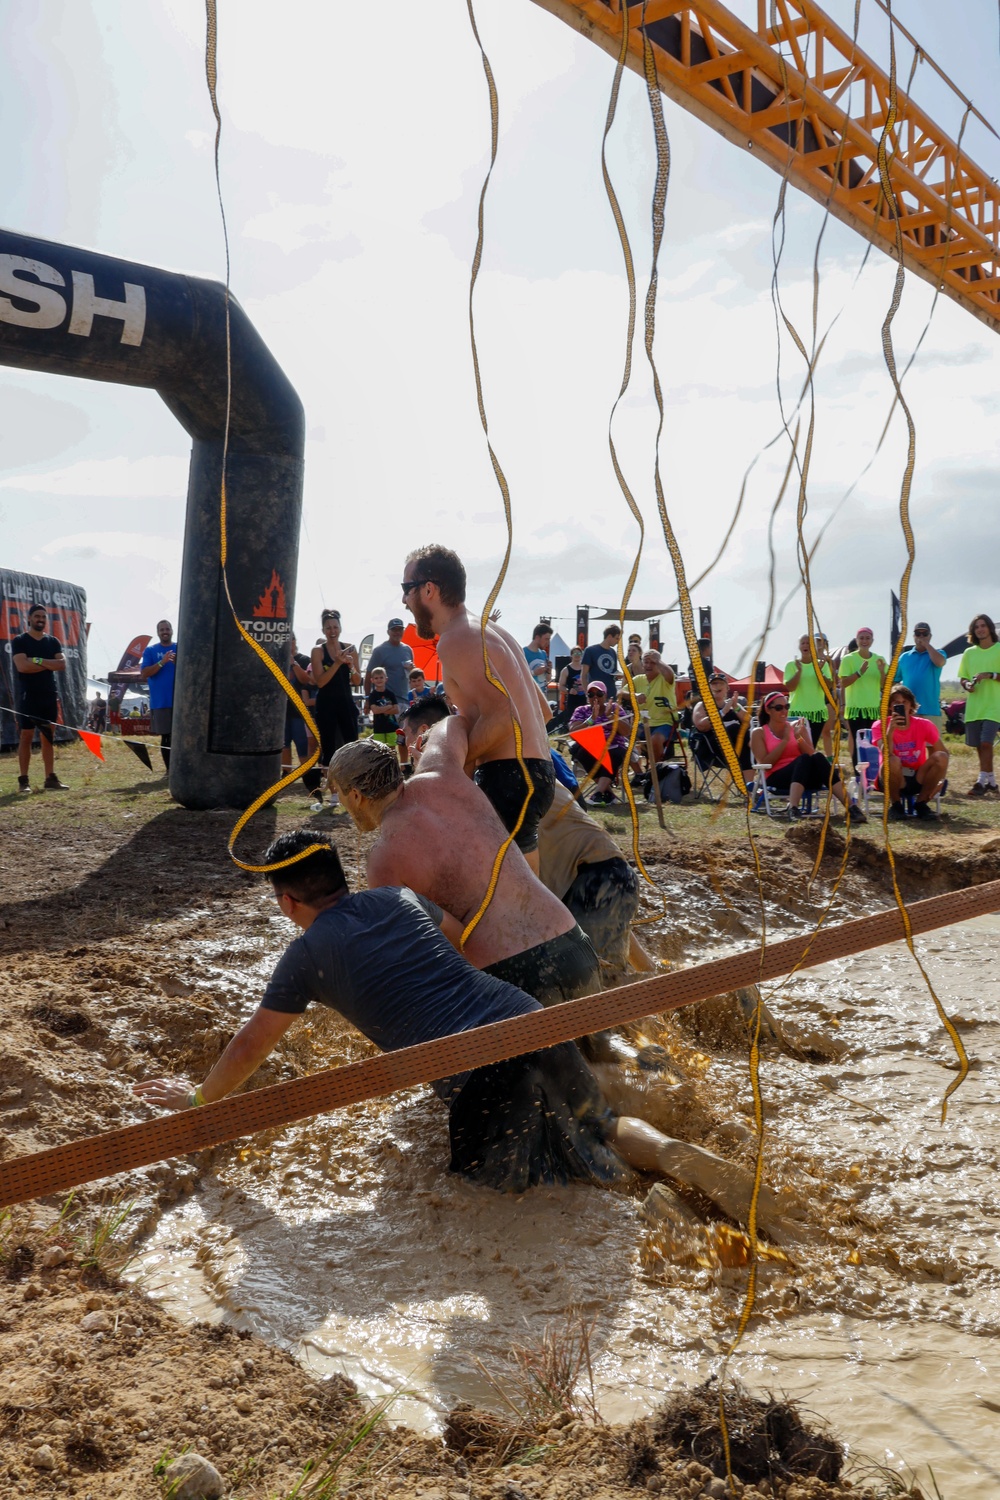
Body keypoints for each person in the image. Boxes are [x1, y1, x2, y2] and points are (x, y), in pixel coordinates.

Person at [134, 829, 799, 1233]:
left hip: (481, 1069)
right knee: (594, 1126)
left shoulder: (304, 957)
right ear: (340, 877)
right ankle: (672, 1154)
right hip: (523, 1015)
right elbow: (457, 943)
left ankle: (648, 1207)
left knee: (511, 1188)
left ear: (287, 902)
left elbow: (252, 1044)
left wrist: (198, 1104)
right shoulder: (400, 898)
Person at [329, 721, 603, 1012]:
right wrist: (427, 746)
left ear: (356, 795)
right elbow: (452, 723)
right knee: (606, 1051)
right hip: (573, 943)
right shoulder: (442, 771)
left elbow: (419, 950)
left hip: (511, 974)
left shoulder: (383, 860)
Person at [401, 545, 554, 871]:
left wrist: (446, 761)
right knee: (530, 904)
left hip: (508, 776)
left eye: (406, 589)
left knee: (502, 906)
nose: (403, 601)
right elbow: (543, 711)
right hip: (537, 774)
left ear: (429, 589)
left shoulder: (456, 638)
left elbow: (504, 716)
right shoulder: (496, 632)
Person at [537, 782, 649, 972]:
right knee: (606, 978)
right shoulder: (537, 768)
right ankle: (662, 987)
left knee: (600, 986)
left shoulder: (502, 783)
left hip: (597, 878)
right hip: (602, 878)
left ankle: (664, 991)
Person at [750, 691, 862, 821]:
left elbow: (811, 754)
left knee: (818, 757)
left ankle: (851, 808)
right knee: (803, 759)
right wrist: (785, 741)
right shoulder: (759, 733)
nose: (784, 711)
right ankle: (793, 808)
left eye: (787, 707)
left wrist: (798, 738)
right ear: (768, 710)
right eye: (779, 708)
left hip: (805, 777)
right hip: (777, 777)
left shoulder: (796, 727)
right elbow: (764, 763)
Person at [11, 604, 68, 793]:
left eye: (43, 616)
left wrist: (36, 660)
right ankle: (23, 781)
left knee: (47, 738)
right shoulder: (20, 640)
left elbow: (61, 664)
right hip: (28, 696)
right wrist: (48, 664)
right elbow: (22, 667)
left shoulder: (53, 642)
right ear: (29, 619)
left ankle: (50, 779)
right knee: (26, 736)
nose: (40, 619)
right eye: (37, 616)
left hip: (49, 695)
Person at [870, 685, 949, 821]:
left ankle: (921, 804)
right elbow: (886, 754)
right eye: (896, 703)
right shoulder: (880, 725)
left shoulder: (924, 724)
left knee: (941, 757)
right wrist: (890, 731)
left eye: (904, 702)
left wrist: (939, 778)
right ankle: (896, 805)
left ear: (911, 705)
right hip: (891, 777)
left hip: (917, 775)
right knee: (893, 760)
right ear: (890, 706)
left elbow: (944, 752)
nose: (900, 705)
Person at [310, 609, 360, 807]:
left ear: (340, 628)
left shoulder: (349, 648)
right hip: (326, 703)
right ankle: (333, 794)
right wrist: (337, 663)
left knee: (352, 746)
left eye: (335, 627)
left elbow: (357, 680)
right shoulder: (317, 651)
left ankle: (352, 793)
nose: (332, 631)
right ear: (323, 629)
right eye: (328, 627)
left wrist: (350, 666)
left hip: (346, 702)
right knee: (329, 749)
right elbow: (320, 682)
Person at [568, 681, 632, 805]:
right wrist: (591, 719)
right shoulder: (581, 710)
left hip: (613, 745)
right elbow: (573, 732)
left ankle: (597, 794)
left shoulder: (615, 708)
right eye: (591, 694)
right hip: (591, 746)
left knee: (614, 754)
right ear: (587, 697)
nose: (595, 697)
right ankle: (606, 792)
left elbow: (626, 732)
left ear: (605, 695)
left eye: (599, 693)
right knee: (582, 752)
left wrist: (611, 717)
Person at [958, 613, 1000, 798]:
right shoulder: (969, 653)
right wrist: (967, 685)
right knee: (978, 746)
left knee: (986, 743)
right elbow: (963, 677)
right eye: (977, 627)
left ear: (990, 628)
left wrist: (990, 675)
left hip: (994, 705)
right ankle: (991, 782)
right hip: (975, 706)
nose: (980, 629)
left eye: (983, 625)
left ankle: (980, 782)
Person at [691, 671, 753, 785]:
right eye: (714, 684)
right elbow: (701, 725)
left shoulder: (734, 705)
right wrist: (723, 712)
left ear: (727, 688)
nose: (717, 686)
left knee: (746, 745)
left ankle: (749, 787)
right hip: (713, 750)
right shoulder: (702, 706)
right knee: (735, 728)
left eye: (720, 683)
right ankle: (759, 753)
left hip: (736, 750)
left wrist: (735, 708)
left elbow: (749, 723)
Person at [282, 634, 321, 794]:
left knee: (303, 746)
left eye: (290, 641)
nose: (288, 644)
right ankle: (286, 774)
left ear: (295, 642)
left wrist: (294, 663)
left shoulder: (304, 659)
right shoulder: (278, 658)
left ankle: (309, 778)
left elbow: (306, 680)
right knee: (284, 745)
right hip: (283, 711)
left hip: (299, 712)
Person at [837, 627, 887, 754]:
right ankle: (859, 773)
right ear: (857, 640)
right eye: (861, 638)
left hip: (873, 709)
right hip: (855, 709)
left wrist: (882, 672)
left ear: (872, 641)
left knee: (873, 743)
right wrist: (859, 673)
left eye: (867, 638)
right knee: (858, 743)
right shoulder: (848, 659)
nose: (864, 641)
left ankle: (873, 772)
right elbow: (844, 683)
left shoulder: (879, 660)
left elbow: (884, 686)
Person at [784, 634, 835, 755]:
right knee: (797, 747)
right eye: (803, 643)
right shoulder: (791, 665)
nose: (806, 645)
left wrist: (819, 672)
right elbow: (790, 687)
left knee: (810, 748)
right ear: (799, 646)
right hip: (797, 714)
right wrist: (799, 671)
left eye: (808, 643)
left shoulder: (822, 664)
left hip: (816, 714)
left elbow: (828, 686)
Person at [139, 619, 177, 773]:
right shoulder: (150, 650)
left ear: (172, 630)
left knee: (181, 737)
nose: (165, 631)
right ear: (158, 632)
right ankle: (169, 771)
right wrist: (162, 662)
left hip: (181, 702)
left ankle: (181, 769)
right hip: (161, 702)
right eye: (162, 630)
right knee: (166, 738)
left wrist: (179, 663)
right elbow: (144, 673)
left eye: (167, 629)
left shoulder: (180, 647)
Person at [630, 650, 678, 760]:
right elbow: (621, 693)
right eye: (646, 662)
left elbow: (670, 674)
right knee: (622, 737)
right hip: (643, 723)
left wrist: (658, 660)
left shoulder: (665, 678)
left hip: (666, 723)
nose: (648, 665)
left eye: (653, 663)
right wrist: (634, 695)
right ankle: (638, 773)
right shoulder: (638, 680)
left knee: (655, 740)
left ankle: (656, 771)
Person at [896, 622, 945, 723]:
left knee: (932, 739)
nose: (921, 636)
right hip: (908, 711)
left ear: (930, 636)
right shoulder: (904, 657)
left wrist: (926, 644)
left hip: (931, 711)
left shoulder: (938, 653)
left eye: (925, 634)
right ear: (914, 636)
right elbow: (895, 681)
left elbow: (940, 662)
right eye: (918, 634)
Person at [364, 618, 414, 706]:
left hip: (405, 700)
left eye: (400, 629)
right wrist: (368, 699)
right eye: (394, 629)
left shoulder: (408, 650)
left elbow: (412, 676)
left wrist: (412, 670)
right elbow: (368, 676)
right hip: (386, 701)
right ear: (388, 632)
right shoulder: (379, 650)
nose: (397, 632)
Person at [580, 624, 622, 693]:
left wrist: (618, 675)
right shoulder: (590, 650)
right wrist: (588, 694)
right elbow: (583, 675)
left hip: (611, 694)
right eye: (617, 638)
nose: (618, 641)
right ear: (609, 636)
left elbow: (613, 672)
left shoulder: (613, 652)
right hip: (596, 694)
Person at [365, 667, 400, 747]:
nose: (379, 680)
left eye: (381, 677)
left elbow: (396, 710)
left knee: (392, 748)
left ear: (386, 679)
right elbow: (375, 710)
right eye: (376, 678)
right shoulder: (373, 695)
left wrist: (381, 709)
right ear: (372, 680)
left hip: (391, 726)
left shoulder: (390, 694)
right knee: (380, 750)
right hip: (379, 727)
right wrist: (389, 707)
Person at [554, 646, 586, 732]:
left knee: (585, 720)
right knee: (572, 721)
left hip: (584, 699)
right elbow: (561, 686)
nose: (577, 655)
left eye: (579, 653)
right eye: (575, 653)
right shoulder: (566, 670)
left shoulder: (585, 668)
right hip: (572, 700)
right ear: (571, 655)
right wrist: (569, 690)